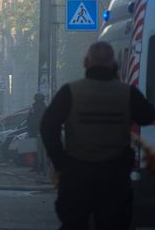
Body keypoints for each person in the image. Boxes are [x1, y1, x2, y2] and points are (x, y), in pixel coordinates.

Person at [40, 41, 155, 230]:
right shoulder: (127, 93)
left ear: (86, 62)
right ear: (114, 65)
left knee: (74, 224)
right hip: (114, 177)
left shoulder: (70, 92)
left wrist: (60, 162)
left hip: (77, 175)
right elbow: (147, 116)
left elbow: (47, 125)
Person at [27, 93, 46, 173]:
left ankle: (39, 167)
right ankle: (37, 166)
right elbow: (30, 118)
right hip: (34, 131)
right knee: (35, 150)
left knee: (39, 151)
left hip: (37, 131)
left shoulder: (40, 108)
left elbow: (38, 120)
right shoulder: (37, 107)